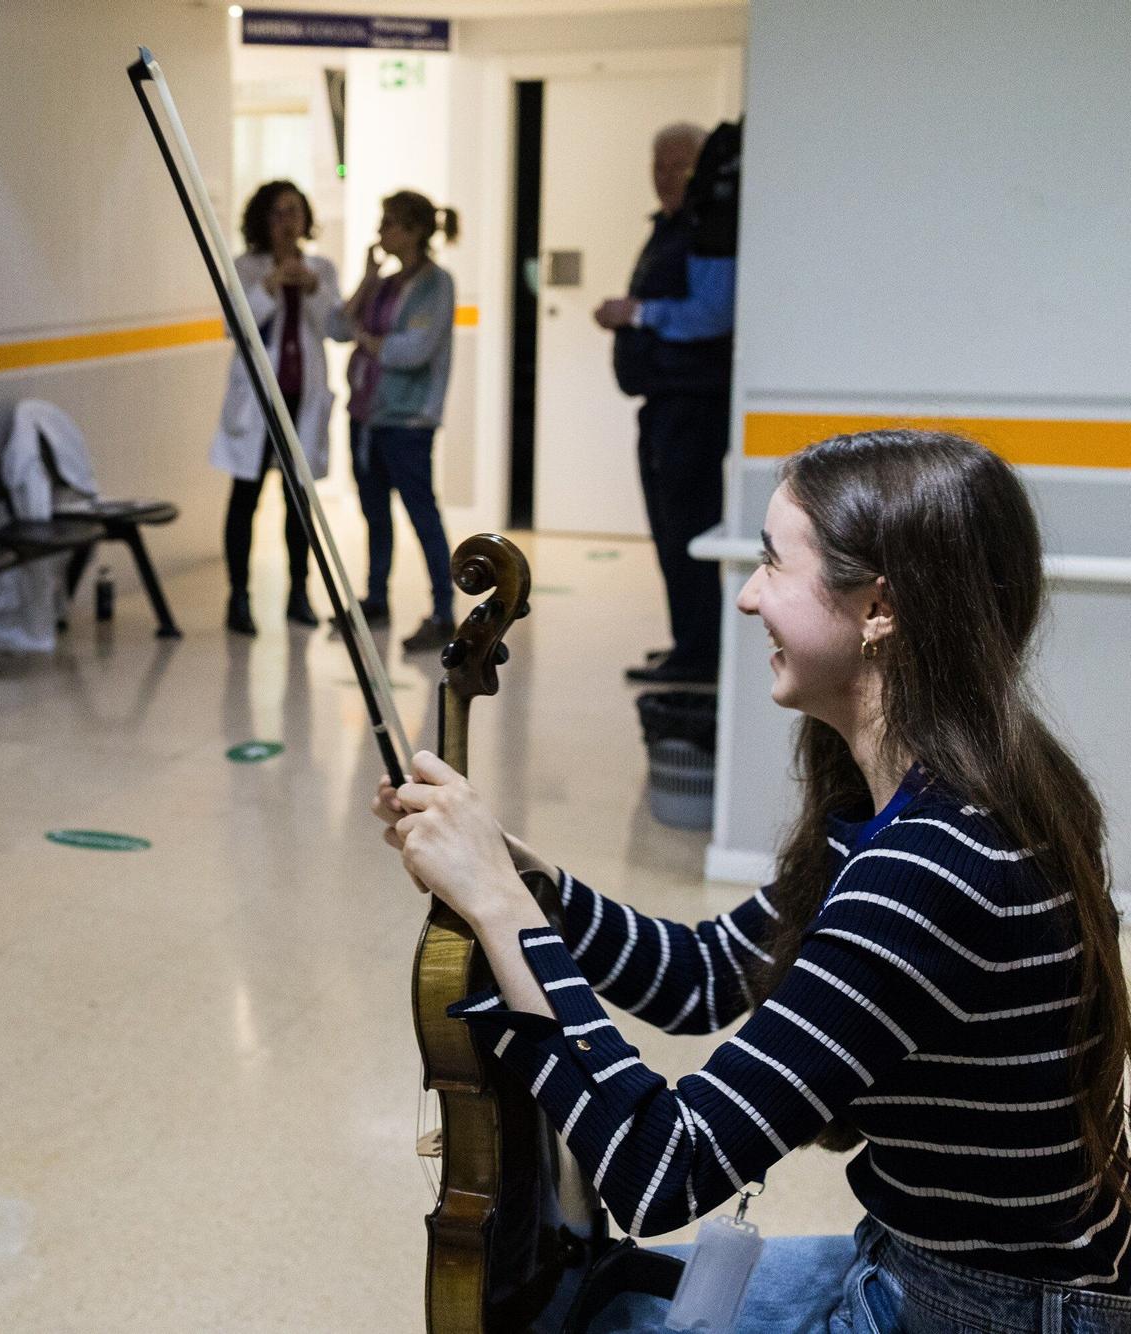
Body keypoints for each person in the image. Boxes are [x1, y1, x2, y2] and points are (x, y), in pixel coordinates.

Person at [377, 430, 1131, 1331]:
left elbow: (662, 1169)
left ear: (878, 607)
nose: (746, 595)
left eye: (774, 562)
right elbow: (700, 976)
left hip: (987, 1310)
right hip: (917, 1257)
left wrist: (501, 909)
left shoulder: (933, 869)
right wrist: (516, 871)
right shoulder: (933, 792)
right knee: (593, 1296)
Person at [597, 122, 739, 686]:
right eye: (658, 165)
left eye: (679, 165)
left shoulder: (709, 228)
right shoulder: (671, 228)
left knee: (687, 529)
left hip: (692, 404)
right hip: (662, 402)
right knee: (667, 530)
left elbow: (714, 313)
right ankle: (688, 642)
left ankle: (700, 653)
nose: (665, 177)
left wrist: (637, 313)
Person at [330, 191, 459, 653]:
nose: (380, 232)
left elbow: (414, 351)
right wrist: (366, 281)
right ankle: (376, 598)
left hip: (408, 420)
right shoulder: (383, 284)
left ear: (415, 231)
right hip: (367, 416)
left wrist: (369, 341)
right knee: (374, 513)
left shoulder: (437, 284)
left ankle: (444, 612)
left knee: (422, 514)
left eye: (389, 224)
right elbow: (336, 328)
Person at [210, 180, 340, 636]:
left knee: (297, 498)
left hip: (301, 396)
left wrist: (313, 288)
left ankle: (298, 593)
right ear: (263, 220)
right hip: (258, 402)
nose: (288, 222)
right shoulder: (246, 267)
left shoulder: (321, 268)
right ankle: (238, 597)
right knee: (245, 496)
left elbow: (337, 327)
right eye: (279, 213)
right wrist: (269, 284)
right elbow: (234, 326)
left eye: (295, 212)